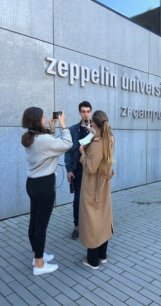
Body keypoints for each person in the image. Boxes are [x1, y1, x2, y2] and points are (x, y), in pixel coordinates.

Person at [21, 107, 72, 276]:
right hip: (44, 186)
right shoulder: (43, 140)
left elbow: (46, 148)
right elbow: (67, 144)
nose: (45, 119)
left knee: (34, 222)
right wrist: (63, 125)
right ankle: (39, 265)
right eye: (43, 117)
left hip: (32, 184)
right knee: (41, 226)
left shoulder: (30, 138)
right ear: (37, 120)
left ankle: (38, 255)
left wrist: (51, 129)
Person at [79, 110, 114, 269]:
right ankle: (102, 255)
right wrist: (93, 134)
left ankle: (92, 260)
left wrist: (82, 154)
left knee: (92, 220)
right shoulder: (109, 138)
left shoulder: (97, 143)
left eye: (92, 121)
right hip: (103, 186)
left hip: (92, 187)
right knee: (103, 218)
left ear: (95, 123)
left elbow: (91, 167)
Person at [64, 101, 92, 240]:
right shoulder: (73, 129)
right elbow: (68, 151)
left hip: (93, 169)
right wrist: (69, 169)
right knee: (78, 198)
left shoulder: (96, 128)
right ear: (79, 112)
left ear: (91, 112)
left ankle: (91, 224)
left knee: (92, 198)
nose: (85, 114)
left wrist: (91, 130)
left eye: (88, 111)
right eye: (83, 111)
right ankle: (77, 226)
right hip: (78, 168)